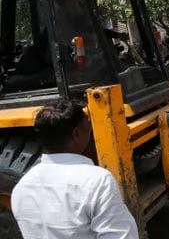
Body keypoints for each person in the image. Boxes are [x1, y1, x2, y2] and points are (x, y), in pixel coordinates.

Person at [11, 101, 138, 239]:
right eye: (88, 123)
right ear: (77, 134)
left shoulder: (22, 186)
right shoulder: (97, 181)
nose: (91, 128)